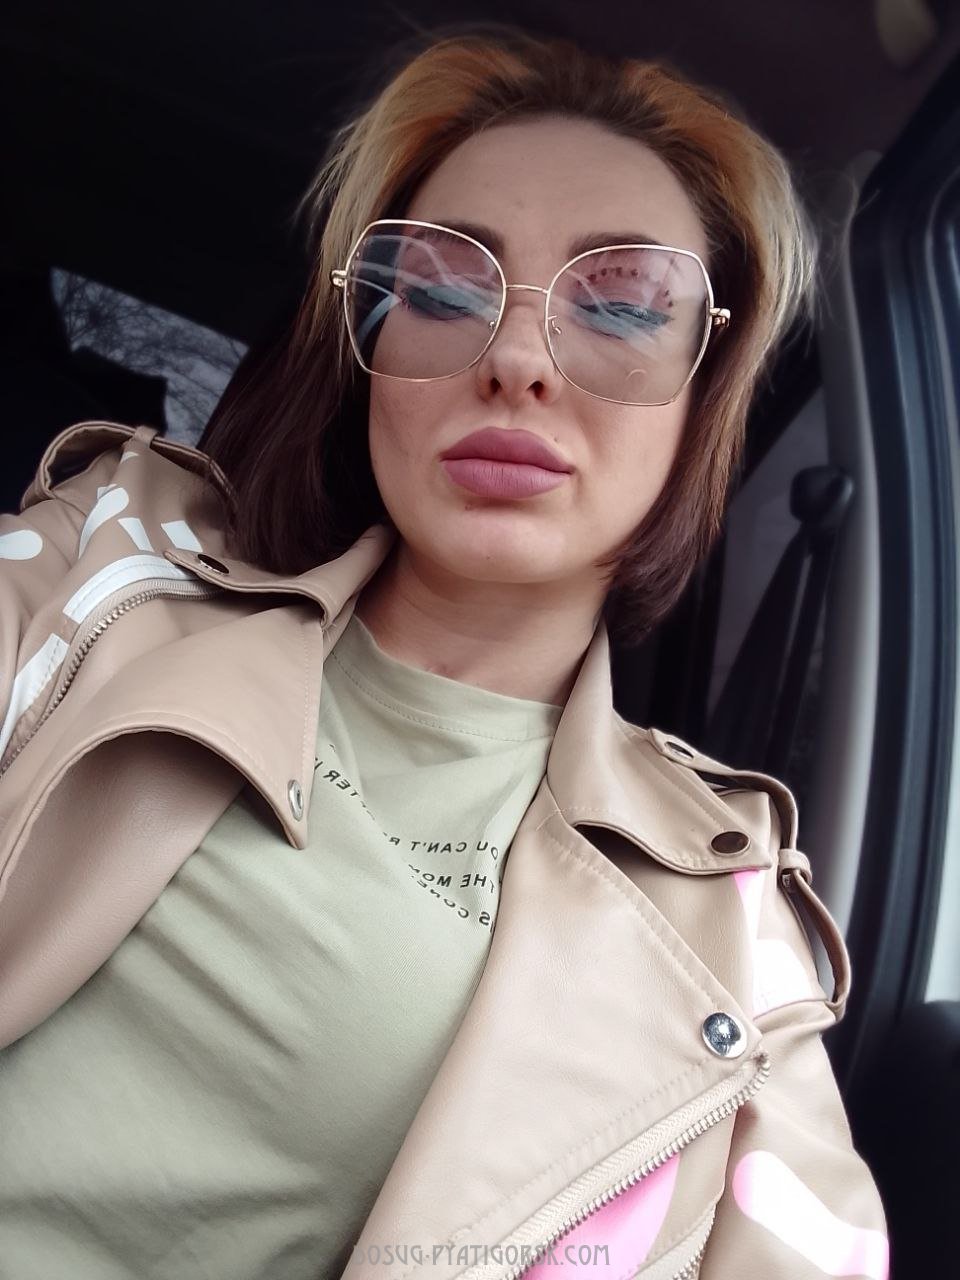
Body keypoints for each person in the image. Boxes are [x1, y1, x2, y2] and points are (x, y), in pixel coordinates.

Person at [0, 25, 889, 1280]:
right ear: (368, 357)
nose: (516, 360)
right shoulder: (110, 557)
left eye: (620, 305)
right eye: (441, 291)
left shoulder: (727, 915)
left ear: (706, 397)